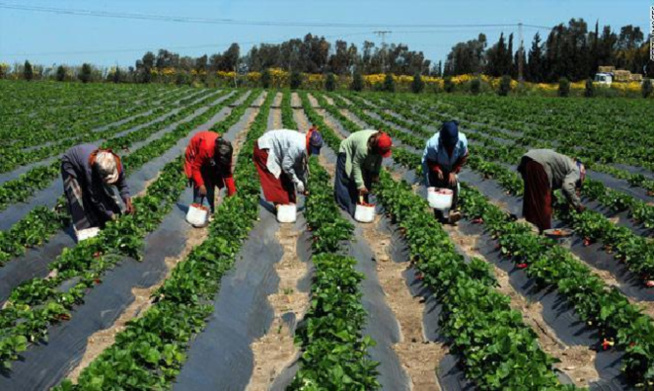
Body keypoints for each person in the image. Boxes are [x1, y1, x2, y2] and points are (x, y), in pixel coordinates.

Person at [61, 144, 134, 237]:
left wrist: (127, 200)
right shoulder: (90, 169)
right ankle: (87, 230)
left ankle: (103, 217)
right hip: (71, 163)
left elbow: (122, 184)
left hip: (85, 159)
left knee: (105, 192)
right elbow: (96, 198)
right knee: (79, 198)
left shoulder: (116, 163)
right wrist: (111, 216)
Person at [517, 149, 586, 233]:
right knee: (544, 203)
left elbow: (549, 187)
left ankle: (528, 227)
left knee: (531, 198)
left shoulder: (564, 165)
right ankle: (546, 232)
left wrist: (557, 203)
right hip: (538, 164)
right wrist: (578, 205)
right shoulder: (576, 170)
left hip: (526, 161)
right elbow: (567, 187)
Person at [253, 128, 323, 207]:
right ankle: (280, 207)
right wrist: (297, 182)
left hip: (277, 151)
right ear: (309, 143)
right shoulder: (298, 146)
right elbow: (286, 166)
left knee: (287, 178)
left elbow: (299, 167)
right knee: (275, 180)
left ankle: (289, 203)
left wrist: (303, 184)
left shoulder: (303, 146)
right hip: (264, 148)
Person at [334, 130, 392, 216]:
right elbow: (356, 165)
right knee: (347, 179)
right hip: (347, 151)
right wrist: (360, 185)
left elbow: (379, 158)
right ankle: (346, 206)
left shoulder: (379, 142)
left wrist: (375, 173)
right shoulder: (363, 148)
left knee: (366, 176)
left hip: (361, 152)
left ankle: (362, 202)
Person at [421, 121, 469, 223]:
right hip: (434, 163)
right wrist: (437, 169)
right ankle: (438, 216)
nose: (450, 146)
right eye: (448, 144)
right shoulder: (433, 144)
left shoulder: (462, 140)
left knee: (453, 182)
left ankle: (453, 210)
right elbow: (430, 161)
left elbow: (463, 157)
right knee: (436, 184)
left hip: (451, 164)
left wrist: (453, 171)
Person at [184, 131, 237, 214]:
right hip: (197, 150)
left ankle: (208, 209)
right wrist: (201, 184)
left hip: (208, 157)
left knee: (211, 180)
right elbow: (195, 168)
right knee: (199, 184)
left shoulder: (226, 154)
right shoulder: (206, 148)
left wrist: (232, 193)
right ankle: (198, 207)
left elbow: (228, 175)